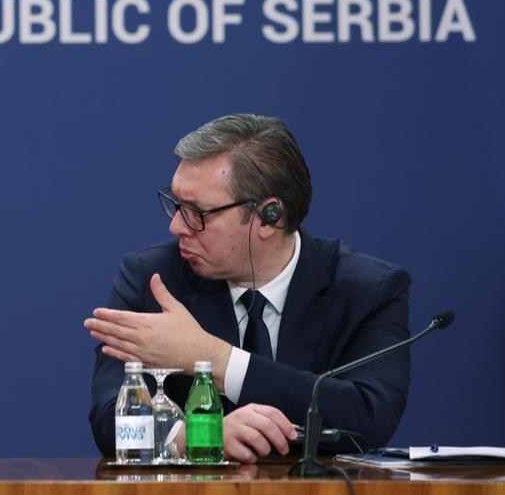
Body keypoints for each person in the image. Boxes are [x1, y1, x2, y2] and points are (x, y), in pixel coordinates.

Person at [85, 114, 411, 463]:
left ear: (270, 217)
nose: (176, 226)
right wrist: (200, 435)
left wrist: (217, 359)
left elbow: (369, 418)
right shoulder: (153, 279)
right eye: (175, 204)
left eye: (196, 212)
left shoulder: (367, 290)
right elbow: (110, 418)